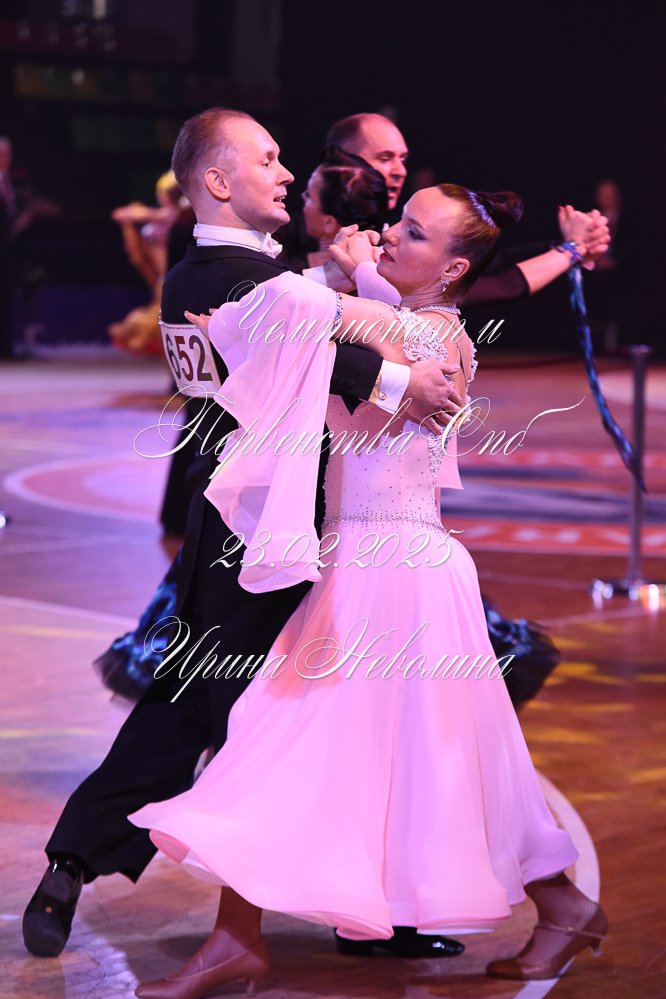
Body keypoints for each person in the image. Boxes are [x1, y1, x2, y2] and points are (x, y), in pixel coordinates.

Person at [129, 183, 608, 998]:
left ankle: (236, 941)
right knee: (344, 748)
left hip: (398, 576)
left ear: (451, 269)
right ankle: (560, 906)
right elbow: (308, 339)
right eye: (397, 222)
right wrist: (252, 327)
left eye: (413, 232)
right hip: (361, 566)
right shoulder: (384, 317)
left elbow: (328, 323)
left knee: (337, 746)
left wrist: (320, 288)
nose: (389, 235)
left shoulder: (434, 335)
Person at [22, 108, 461, 960]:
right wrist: (401, 381)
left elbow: (297, 312)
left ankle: (363, 910)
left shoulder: (237, 273)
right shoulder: (220, 280)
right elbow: (299, 339)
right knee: (202, 706)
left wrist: (348, 282)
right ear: (219, 181)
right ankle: (74, 861)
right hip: (250, 535)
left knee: (329, 714)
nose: (286, 172)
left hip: (284, 525)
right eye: (267, 159)